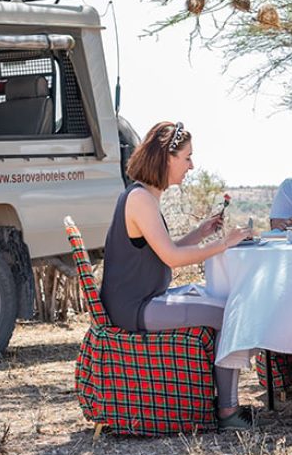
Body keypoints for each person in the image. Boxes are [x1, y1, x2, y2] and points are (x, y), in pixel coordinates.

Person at [99, 121, 254, 430]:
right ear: (166, 157)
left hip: (142, 301)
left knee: (223, 303)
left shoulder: (143, 196)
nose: (191, 165)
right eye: (187, 157)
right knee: (229, 314)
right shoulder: (140, 200)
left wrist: (200, 233)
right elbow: (170, 257)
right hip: (137, 308)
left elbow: (161, 251)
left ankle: (223, 402)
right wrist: (224, 243)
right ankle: (227, 411)